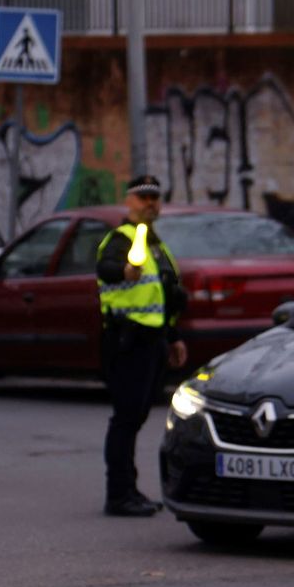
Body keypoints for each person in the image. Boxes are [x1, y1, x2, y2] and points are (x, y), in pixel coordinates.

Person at [95, 173, 188, 517]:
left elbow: (168, 295)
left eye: (155, 197)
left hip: (152, 341)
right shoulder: (120, 240)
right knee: (126, 418)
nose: (150, 203)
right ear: (129, 202)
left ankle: (128, 490)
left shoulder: (155, 244)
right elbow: (107, 268)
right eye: (143, 197)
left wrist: (174, 336)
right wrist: (124, 272)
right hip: (126, 340)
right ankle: (118, 494)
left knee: (136, 417)